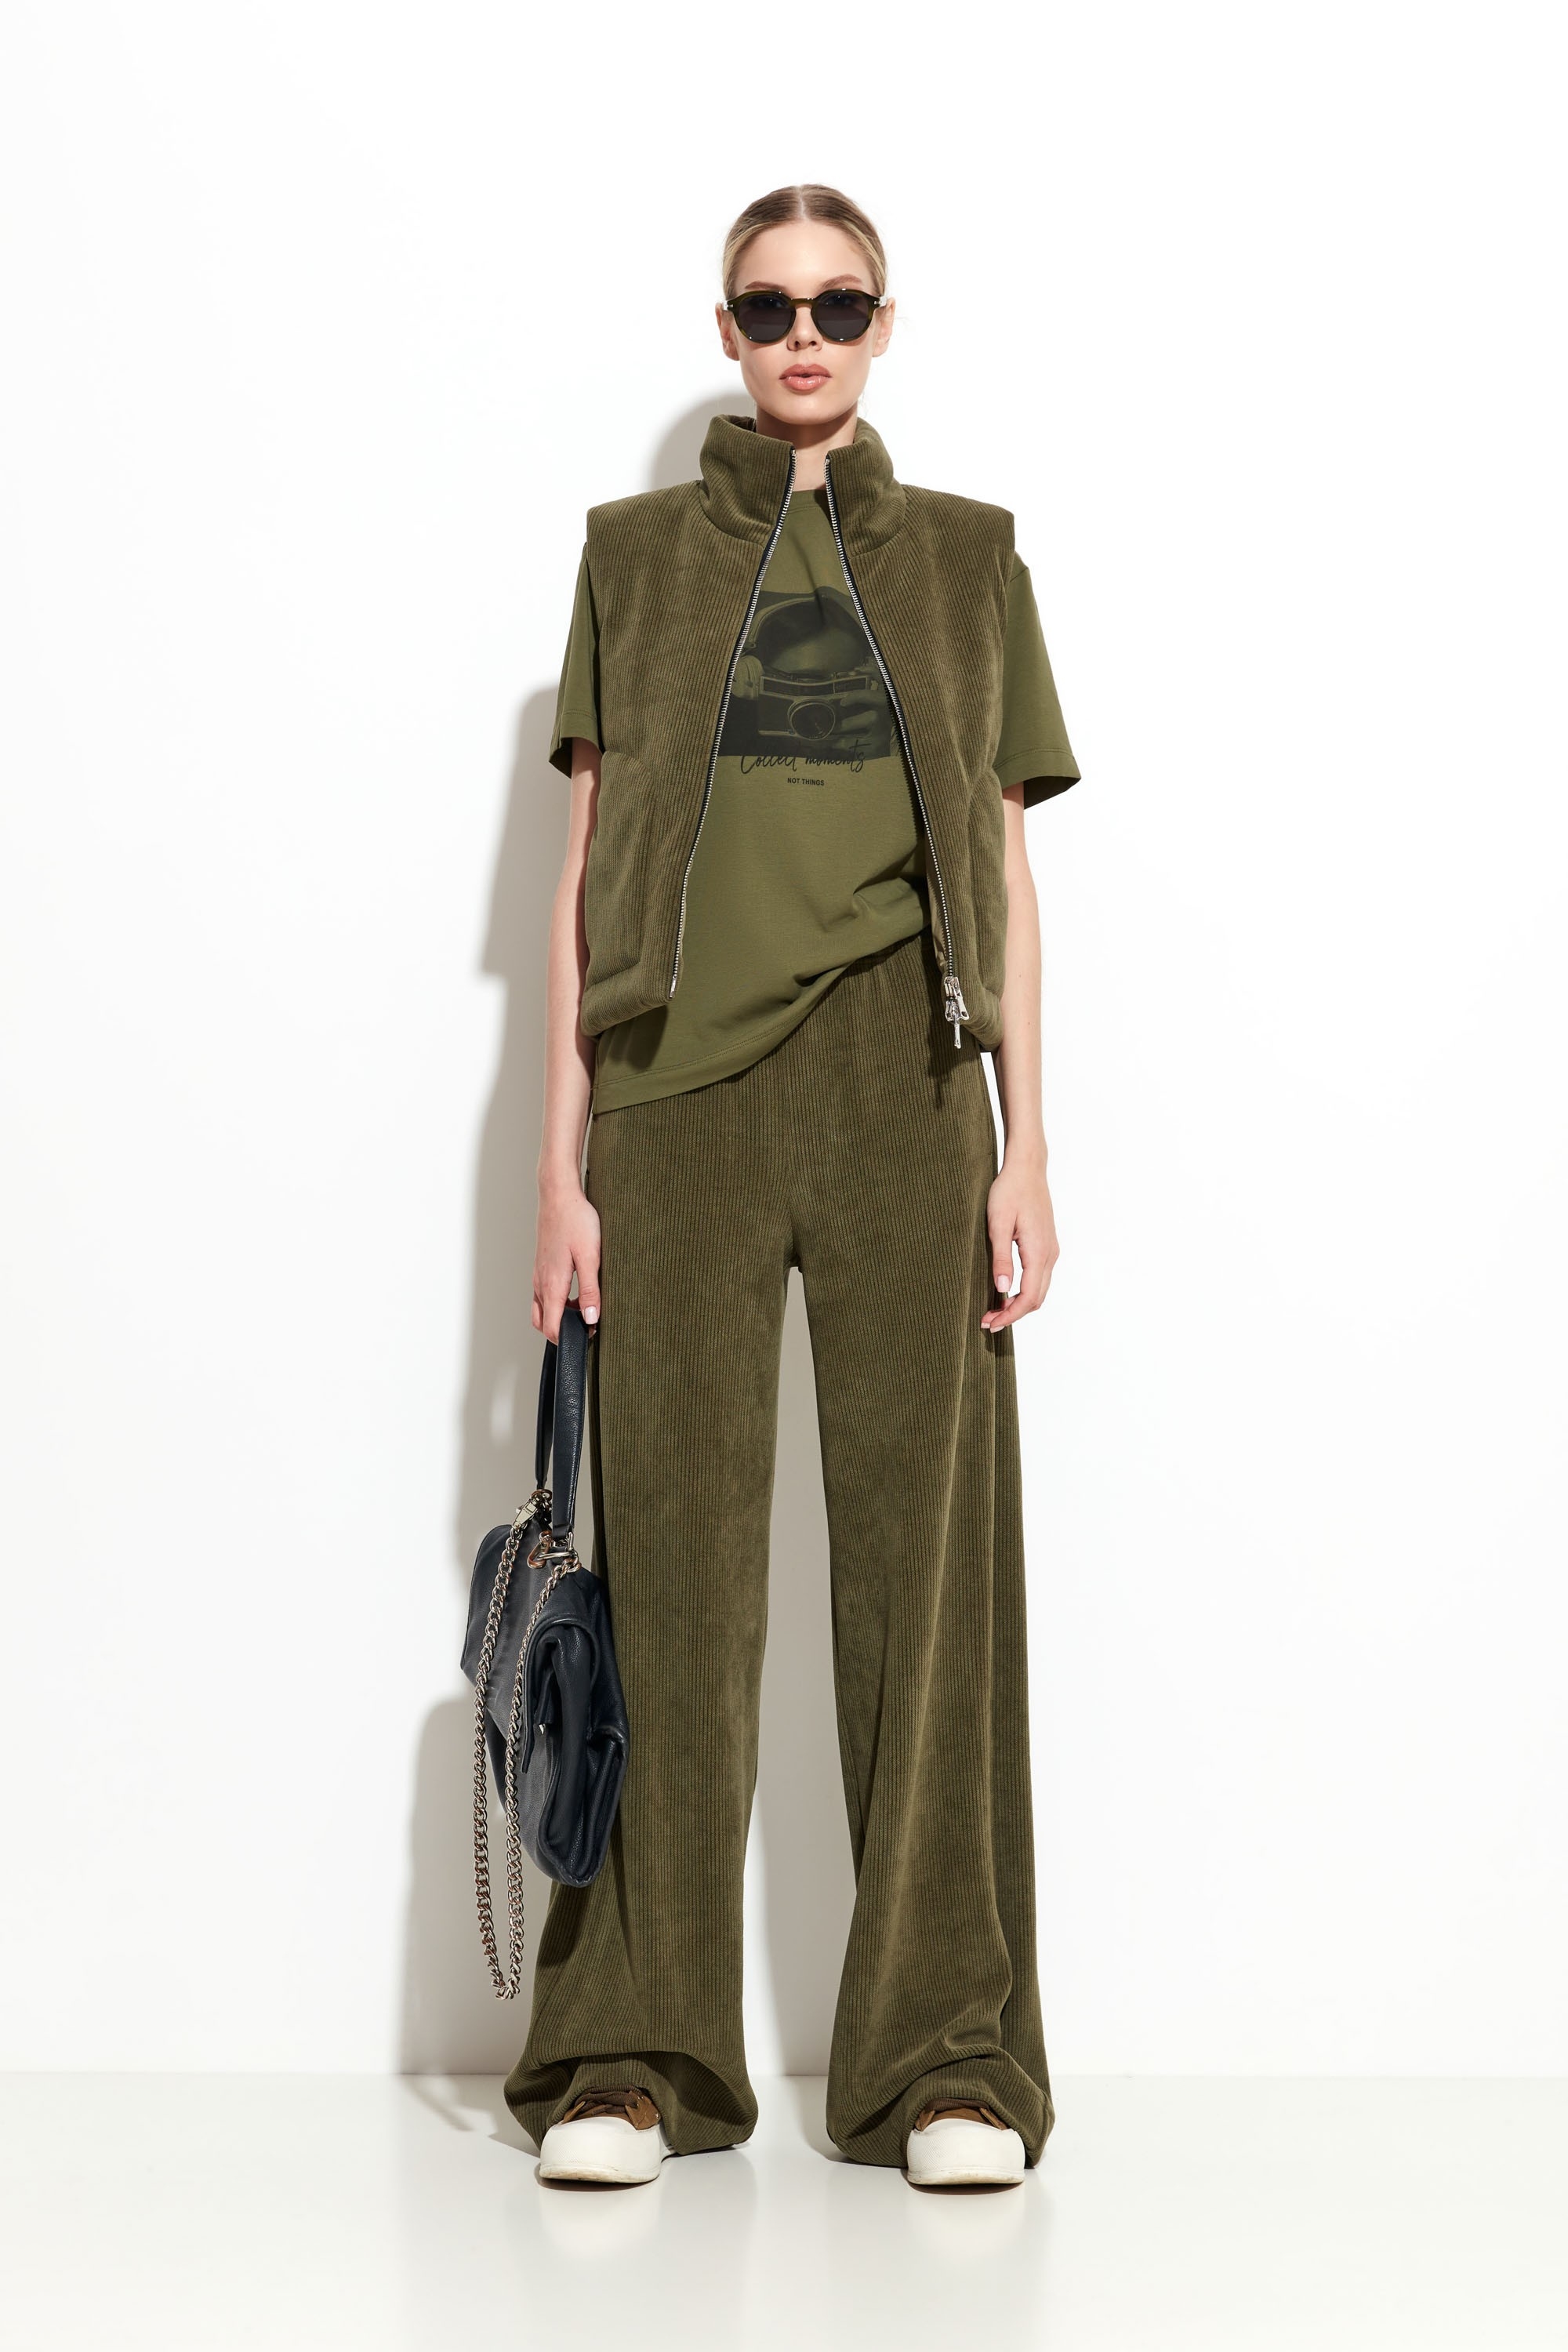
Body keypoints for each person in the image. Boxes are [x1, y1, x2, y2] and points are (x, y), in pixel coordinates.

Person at [508, 183, 1080, 2190]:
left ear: (884, 323)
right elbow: (581, 881)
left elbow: (1003, 870)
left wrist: (1025, 1139)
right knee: (668, 1568)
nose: (804, 336)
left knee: (927, 1580)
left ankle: (944, 2062)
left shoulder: (971, 560)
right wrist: (558, 1164)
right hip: (674, 1096)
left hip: (904, 1084)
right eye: (769, 308)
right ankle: (630, 2056)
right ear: (728, 331)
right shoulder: (632, 558)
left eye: (838, 304)